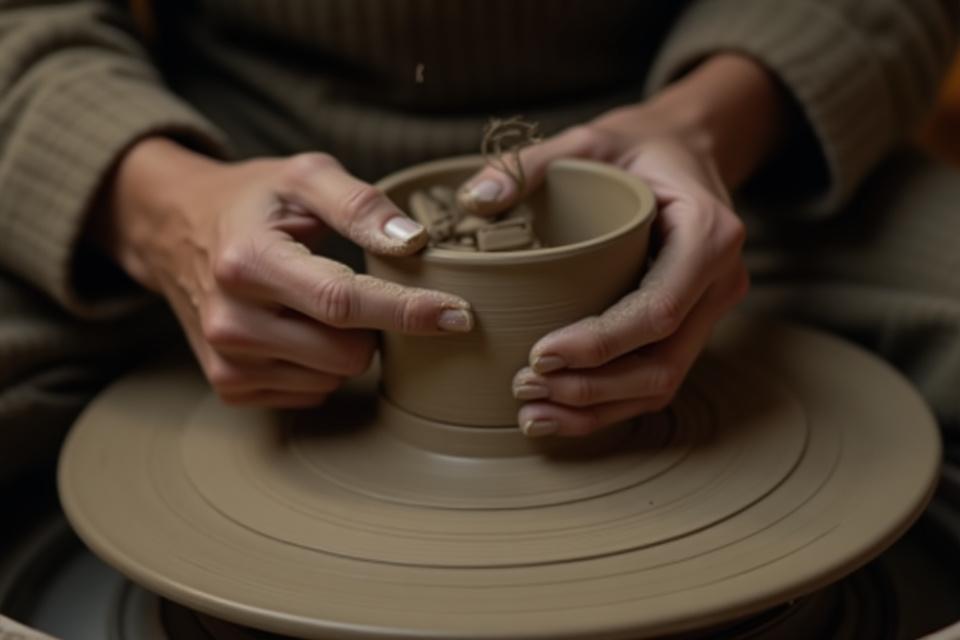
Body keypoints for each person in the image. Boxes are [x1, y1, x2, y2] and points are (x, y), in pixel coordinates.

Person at [0, 1, 957, 483]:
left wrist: (711, 122)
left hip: (685, 175)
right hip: (244, 192)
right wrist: (163, 209)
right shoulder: (195, 205)